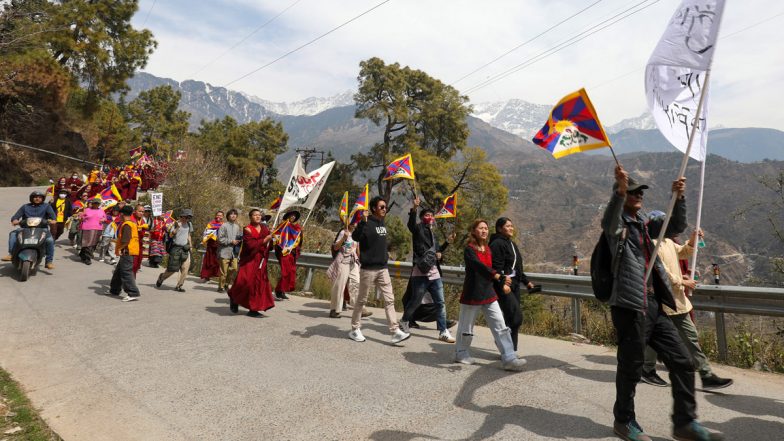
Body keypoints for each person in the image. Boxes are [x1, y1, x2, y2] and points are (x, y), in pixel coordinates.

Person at [603, 165, 723, 441]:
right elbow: (609, 221)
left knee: (682, 360)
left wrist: (677, 198)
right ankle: (624, 421)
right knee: (631, 366)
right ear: (622, 195)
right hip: (630, 305)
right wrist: (619, 192)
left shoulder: (645, 226)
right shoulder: (618, 227)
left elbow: (676, 226)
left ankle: (684, 423)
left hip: (654, 304)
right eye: (632, 192)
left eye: (639, 192)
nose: (638, 195)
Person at [641, 220, 733, 391]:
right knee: (656, 339)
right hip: (662, 301)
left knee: (689, 336)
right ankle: (647, 369)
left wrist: (692, 240)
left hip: (678, 301)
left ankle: (706, 374)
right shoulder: (651, 246)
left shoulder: (668, 242)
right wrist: (683, 283)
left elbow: (683, 252)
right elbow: (661, 273)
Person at [454, 219, 526, 372]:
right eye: (480, 228)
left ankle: (509, 357)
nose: (484, 231)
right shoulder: (470, 249)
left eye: (486, 228)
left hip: (488, 292)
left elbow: (496, 267)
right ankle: (461, 352)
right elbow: (479, 267)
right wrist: (497, 276)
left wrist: (503, 276)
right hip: (472, 293)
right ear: (474, 231)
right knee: (466, 328)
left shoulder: (488, 248)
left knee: (500, 325)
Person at [348, 196, 410, 344]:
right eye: (382, 207)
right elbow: (356, 237)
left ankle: (395, 331)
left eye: (385, 207)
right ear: (374, 208)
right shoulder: (366, 222)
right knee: (362, 300)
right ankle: (355, 329)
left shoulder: (382, 223)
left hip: (383, 268)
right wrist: (362, 222)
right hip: (368, 269)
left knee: (390, 299)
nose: (384, 209)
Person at [399, 196, 455, 343]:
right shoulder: (418, 229)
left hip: (434, 273)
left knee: (440, 303)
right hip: (420, 272)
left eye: (431, 215)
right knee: (416, 300)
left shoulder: (433, 233)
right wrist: (414, 208)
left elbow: (436, 253)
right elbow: (411, 225)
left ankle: (443, 331)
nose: (429, 217)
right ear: (422, 217)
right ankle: (405, 320)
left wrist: (446, 244)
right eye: (426, 215)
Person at [489, 217, 534, 354]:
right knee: (516, 317)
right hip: (504, 286)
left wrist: (526, 282)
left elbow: (517, 268)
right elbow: (495, 267)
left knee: (511, 318)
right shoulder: (497, 244)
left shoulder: (511, 244)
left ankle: (510, 350)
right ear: (499, 229)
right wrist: (502, 283)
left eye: (511, 226)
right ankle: (507, 347)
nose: (511, 228)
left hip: (514, 285)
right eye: (507, 226)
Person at [227, 208, 275, 317]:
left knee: (258, 284)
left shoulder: (264, 228)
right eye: (255, 215)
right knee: (245, 282)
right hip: (249, 260)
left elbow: (269, 245)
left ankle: (253, 309)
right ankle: (234, 297)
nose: (258, 217)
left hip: (260, 260)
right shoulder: (247, 229)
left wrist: (272, 238)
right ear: (250, 217)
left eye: (259, 215)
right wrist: (265, 239)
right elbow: (251, 245)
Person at [3, 191, 56, 269]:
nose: (37, 199)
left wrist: (52, 221)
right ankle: (11, 254)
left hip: (42, 229)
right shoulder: (25, 207)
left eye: (39, 197)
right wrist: (14, 220)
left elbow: (53, 217)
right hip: (25, 228)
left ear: (42, 199)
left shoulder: (46, 206)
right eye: (35, 197)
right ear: (31, 198)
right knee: (13, 234)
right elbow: (15, 217)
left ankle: (49, 261)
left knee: (50, 240)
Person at [107, 205, 140, 302]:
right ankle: (114, 290)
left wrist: (120, 249)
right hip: (129, 251)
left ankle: (133, 292)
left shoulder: (126, 225)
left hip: (127, 251)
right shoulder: (132, 223)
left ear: (121, 214)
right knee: (118, 272)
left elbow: (126, 240)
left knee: (126, 272)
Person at [326, 223, 360, 318]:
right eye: (353, 222)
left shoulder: (356, 234)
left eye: (356, 222)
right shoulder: (343, 232)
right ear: (348, 223)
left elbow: (357, 249)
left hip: (353, 262)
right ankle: (334, 309)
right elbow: (336, 247)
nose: (355, 224)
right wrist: (344, 238)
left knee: (356, 283)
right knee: (339, 286)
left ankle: (359, 308)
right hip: (343, 261)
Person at [156, 208, 193, 292]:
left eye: (189, 217)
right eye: (186, 217)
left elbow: (189, 235)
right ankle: (162, 277)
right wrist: (177, 228)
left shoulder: (189, 224)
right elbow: (171, 235)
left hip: (185, 249)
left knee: (185, 268)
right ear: (182, 216)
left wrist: (190, 246)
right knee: (172, 269)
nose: (187, 219)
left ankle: (179, 285)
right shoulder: (175, 223)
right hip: (175, 248)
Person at [274, 210, 303, 300]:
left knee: (291, 271)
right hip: (284, 252)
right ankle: (278, 291)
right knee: (285, 272)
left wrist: (301, 232)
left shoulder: (297, 228)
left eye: (294, 216)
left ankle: (282, 290)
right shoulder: (283, 225)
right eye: (291, 215)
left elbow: (299, 240)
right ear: (288, 216)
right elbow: (277, 236)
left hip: (292, 253)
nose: (293, 217)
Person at [216, 209, 242, 293]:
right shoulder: (223, 226)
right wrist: (231, 241)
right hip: (224, 251)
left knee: (234, 268)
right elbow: (220, 239)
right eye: (231, 214)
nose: (233, 215)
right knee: (223, 271)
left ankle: (227, 284)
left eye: (235, 214)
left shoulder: (237, 227)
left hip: (234, 252)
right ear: (228, 216)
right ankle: (221, 287)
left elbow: (238, 238)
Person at [78, 198, 105, 265]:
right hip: (87, 228)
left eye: (97, 203)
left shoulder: (101, 211)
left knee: (94, 244)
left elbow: (105, 218)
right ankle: (88, 258)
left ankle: (82, 254)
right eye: (95, 203)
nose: (96, 204)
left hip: (98, 228)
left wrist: (103, 219)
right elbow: (80, 218)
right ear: (92, 203)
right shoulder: (86, 210)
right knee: (87, 243)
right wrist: (80, 217)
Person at [200, 211, 224, 282]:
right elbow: (206, 233)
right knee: (208, 261)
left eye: (220, 215)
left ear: (223, 217)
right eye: (217, 215)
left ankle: (216, 276)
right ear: (215, 216)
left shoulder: (223, 225)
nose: (219, 217)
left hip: (219, 245)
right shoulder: (211, 224)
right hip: (211, 245)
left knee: (217, 261)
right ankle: (206, 276)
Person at [131, 204, 148, 275]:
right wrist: (139, 228)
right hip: (131, 244)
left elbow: (143, 233)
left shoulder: (142, 221)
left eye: (143, 212)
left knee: (138, 263)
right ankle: (130, 282)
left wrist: (143, 228)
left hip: (139, 243)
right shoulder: (131, 219)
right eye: (140, 211)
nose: (142, 213)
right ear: (135, 211)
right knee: (132, 264)